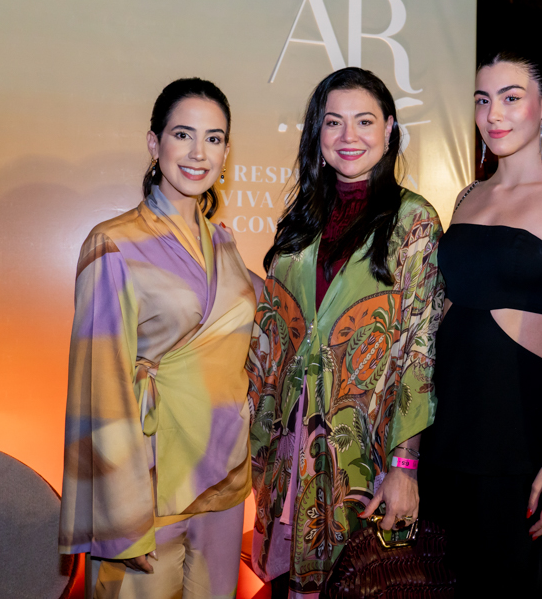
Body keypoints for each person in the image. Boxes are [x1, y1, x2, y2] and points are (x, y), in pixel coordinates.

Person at [246, 67, 444, 598]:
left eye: (364, 121)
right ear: (318, 133)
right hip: (289, 451)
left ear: (390, 129)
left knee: (359, 582)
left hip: (363, 451)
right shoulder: (302, 218)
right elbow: (275, 330)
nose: (348, 137)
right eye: (334, 123)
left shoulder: (413, 222)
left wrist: (405, 466)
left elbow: (418, 353)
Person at [419, 51, 542, 597]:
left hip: (519, 423)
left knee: (513, 581)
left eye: (510, 97)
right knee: (443, 577)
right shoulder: (468, 197)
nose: (493, 114)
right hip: (448, 418)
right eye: (483, 100)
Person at [59, 78, 259, 598]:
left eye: (214, 139)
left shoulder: (225, 245)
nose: (198, 153)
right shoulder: (114, 243)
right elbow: (99, 387)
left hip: (225, 480)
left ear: (227, 151)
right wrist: (121, 522)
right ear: (155, 143)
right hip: (147, 491)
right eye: (183, 135)